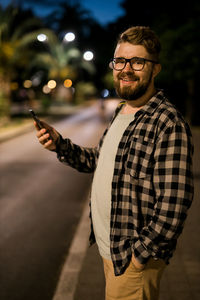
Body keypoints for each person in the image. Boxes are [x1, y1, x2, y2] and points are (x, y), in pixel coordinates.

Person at [34, 26, 194, 300]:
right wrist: (60, 144)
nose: (126, 69)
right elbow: (98, 160)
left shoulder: (168, 123)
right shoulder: (123, 110)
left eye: (138, 62)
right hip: (112, 251)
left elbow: (174, 205)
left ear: (155, 69)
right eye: (120, 61)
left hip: (133, 262)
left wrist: (139, 256)